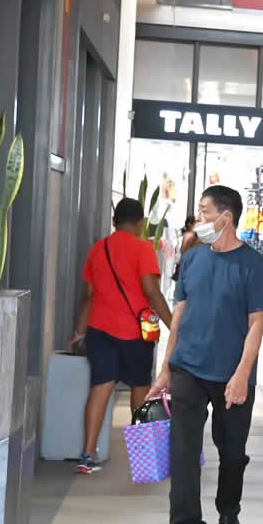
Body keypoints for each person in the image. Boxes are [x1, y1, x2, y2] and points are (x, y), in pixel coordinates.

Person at [153, 185, 263, 524]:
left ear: (226, 217)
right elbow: (180, 313)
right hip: (188, 368)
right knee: (184, 451)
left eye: (205, 211)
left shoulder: (253, 264)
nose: (200, 218)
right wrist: (166, 367)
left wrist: (243, 374)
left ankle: (228, 510)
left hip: (232, 374)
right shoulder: (192, 258)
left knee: (232, 452)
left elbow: (257, 322)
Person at [69, 198, 174, 474]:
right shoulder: (142, 249)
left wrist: (79, 331)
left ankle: (87, 454)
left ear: (114, 222)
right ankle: (144, 458)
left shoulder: (98, 249)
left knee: (100, 388)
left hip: (100, 330)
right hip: (134, 332)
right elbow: (151, 290)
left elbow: (89, 295)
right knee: (140, 390)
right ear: (140, 223)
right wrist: (173, 324)